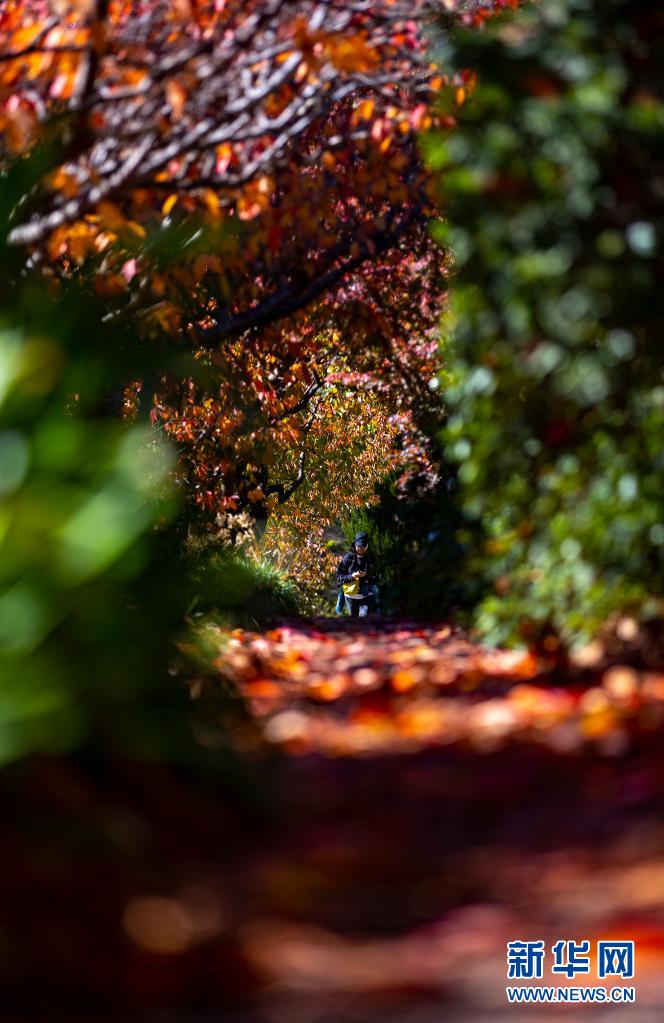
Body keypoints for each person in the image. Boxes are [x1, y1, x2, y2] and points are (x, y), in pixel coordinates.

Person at [336, 532, 380, 617]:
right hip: (350, 596)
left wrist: (366, 575)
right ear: (355, 545)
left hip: (367, 595)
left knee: (364, 618)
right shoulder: (348, 557)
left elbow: (377, 576)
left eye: (363, 546)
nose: (360, 549)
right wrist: (352, 576)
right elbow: (339, 576)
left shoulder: (372, 558)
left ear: (367, 546)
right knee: (354, 621)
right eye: (359, 546)